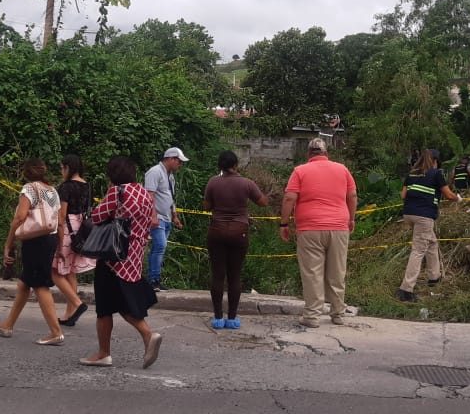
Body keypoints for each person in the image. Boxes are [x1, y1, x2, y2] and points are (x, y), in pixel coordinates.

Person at [80, 155, 164, 369]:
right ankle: (139, 339)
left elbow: (97, 216)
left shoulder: (118, 192)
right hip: (134, 256)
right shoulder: (144, 193)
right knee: (123, 301)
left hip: (113, 257)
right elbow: (152, 220)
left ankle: (109, 351)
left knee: (106, 308)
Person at [279, 137, 358, 328]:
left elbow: (290, 198)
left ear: (308, 155)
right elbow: (353, 195)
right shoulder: (342, 169)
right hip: (339, 226)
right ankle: (338, 313)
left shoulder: (300, 171)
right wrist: (351, 218)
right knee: (337, 271)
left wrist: (284, 224)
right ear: (326, 154)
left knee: (312, 272)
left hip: (309, 228)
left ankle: (312, 316)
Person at [0, 158, 66, 345]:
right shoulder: (52, 191)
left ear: (27, 172)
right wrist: (60, 245)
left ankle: (56, 332)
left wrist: (8, 242)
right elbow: (60, 220)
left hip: (35, 241)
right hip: (49, 239)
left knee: (40, 285)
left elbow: (19, 218)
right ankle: (7, 325)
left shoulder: (29, 189)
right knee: (25, 284)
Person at [203, 150, 269, 329]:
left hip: (216, 231)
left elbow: (207, 206)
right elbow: (263, 202)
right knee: (235, 275)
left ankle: (217, 318)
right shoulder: (246, 183)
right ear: (236, 165)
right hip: (239, 232)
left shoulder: (213, 182)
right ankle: (231, 319)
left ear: (220, 166)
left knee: (217, 274)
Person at [396, 149, 460, 302]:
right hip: (424, 217)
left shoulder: (412, 174)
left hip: (409, 214)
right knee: (418, 250)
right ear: (436, 161)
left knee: (432, 243)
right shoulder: (436, 173)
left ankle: (434, 277)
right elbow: (448, 194)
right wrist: (458, 199)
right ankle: (406, 289)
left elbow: (403, 195)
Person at [54, 153, 97, 327]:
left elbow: (62, 215)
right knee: (70, 271)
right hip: (81, 228)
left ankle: (77, 304)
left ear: (67, 167)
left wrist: (57, 237)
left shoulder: (66, 187)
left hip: (67, 229)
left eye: (62, 168)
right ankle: (69, 314)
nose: (61, 171)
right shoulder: (87, 185)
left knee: (56, 271)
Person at [144, 147, 188, 291]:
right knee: (160, 246)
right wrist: (153, 216)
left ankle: (154, 279)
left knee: (158, 248)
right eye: (178, 161)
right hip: (158, 217)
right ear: (170, 159)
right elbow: (150, 195)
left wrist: (174, 216)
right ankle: (153, 280)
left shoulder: (170, 176)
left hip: (167, 217)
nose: (179, 165)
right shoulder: (155, 172)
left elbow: (170, 197)